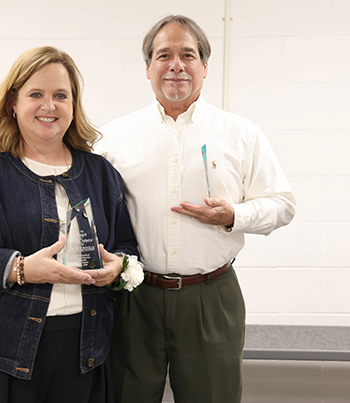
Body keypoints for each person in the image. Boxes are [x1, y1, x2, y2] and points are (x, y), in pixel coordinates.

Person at [0, 46, 139, 403]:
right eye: (36, 94)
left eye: (60, 96)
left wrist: (118, 266)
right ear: (13, 103)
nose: (49, 106)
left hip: (80, 355)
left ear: (73, 105)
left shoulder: (101, 175)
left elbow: (127, 247)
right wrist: (17, 268)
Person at [96, 15, 296, 403]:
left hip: (211, 298)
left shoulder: (240, 134)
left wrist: (233, 216)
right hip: (133, 298)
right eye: (164, 55)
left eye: (188, 55)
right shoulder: (112, 139)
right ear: (148, 68)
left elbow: (283, 205)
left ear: (205, 67)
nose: (176, 65)